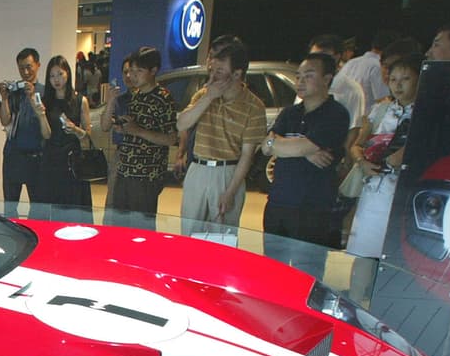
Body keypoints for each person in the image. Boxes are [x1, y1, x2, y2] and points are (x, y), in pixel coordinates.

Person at [259, 52, 351, 279]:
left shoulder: (336, 114)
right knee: (271, 274)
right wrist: (304, 150)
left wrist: (285, 145)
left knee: (306, 276)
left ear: (327, 79)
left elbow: (280, 144)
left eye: (308, 76)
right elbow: (265, 147)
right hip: (278, 204)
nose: (300, 81)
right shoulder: (290, 112)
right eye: (299, 76)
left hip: (312, 210)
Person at [347, 55, 421, 303]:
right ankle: (355, 308)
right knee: (364, 255)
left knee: (398, 260)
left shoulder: (427, 113)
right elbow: (357, 145)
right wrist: (362, 162)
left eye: (406, 79)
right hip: (375, 192)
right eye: (393, 79)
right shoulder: (381, 110)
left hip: (405, 195)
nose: (398, 85)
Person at [176, 38, 266, 235]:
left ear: (237, 73)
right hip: (198, 169)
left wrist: (230, 192)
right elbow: (182, 123)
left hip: (228, 172)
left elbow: (247, 155)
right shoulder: (203, 95)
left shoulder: (254, 106)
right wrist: (209, 96)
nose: (213, 76)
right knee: (189, 233)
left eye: (219, 72)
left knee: (222, 235)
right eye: (211, 70)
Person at [102, 47, 177, 230]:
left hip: (146, 175)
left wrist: (137, 131)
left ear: (153, 71)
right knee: (120, 224)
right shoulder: (134, 96)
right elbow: (107, 126)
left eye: (139, 71)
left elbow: (171, 138)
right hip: (124, 170)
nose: (133, 76)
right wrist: (124, 128)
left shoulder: (163, 98)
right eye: (130, 71)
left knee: (142, 228)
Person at [33, 55, 92, 222]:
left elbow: (87, 136)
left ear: (68, 74)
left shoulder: (80, 100)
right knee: (51, 208)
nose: (56, 80)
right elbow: (46, 135)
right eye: (52, 76)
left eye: (60, 74)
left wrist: (75, 130)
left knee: (74, 209)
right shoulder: (46, 101)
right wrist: (41, 115)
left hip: (73, 161)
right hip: (51, 160)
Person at [0, 47, 44, 218]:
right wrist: (4, 98)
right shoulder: (13, 91)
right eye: (21, 67)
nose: (25, 72)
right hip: (13, 155)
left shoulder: (45, 92)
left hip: (36, 157)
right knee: (10, 207)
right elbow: (4, 120)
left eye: (29, 67)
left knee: (38, 208)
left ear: (38, 65)